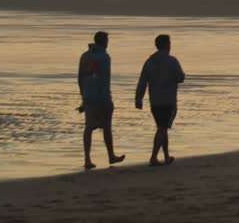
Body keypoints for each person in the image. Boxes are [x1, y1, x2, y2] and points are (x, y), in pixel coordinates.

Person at [135, 33, 186, 166]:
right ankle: (153, 157)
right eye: (169, 43)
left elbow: (142, 81)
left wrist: (138, 98)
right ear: (166, 45)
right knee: (162, 128)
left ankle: (166, 156)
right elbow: (180, 78)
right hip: (168, 100)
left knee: (162, 127)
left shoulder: (149, 61)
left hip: (154, 101)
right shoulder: (172, 61)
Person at [77, 30, 125, 169]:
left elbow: (80, 78)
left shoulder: (84, 56)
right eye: (107, 40)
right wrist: (107, 98)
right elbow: (105, 80)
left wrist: (83, 97)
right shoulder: (104, 57)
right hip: (102, 97)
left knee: (89, 127)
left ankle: (87, 159)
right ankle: (110, 155)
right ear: (103, 42)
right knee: (107, 127)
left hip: (88, 97)